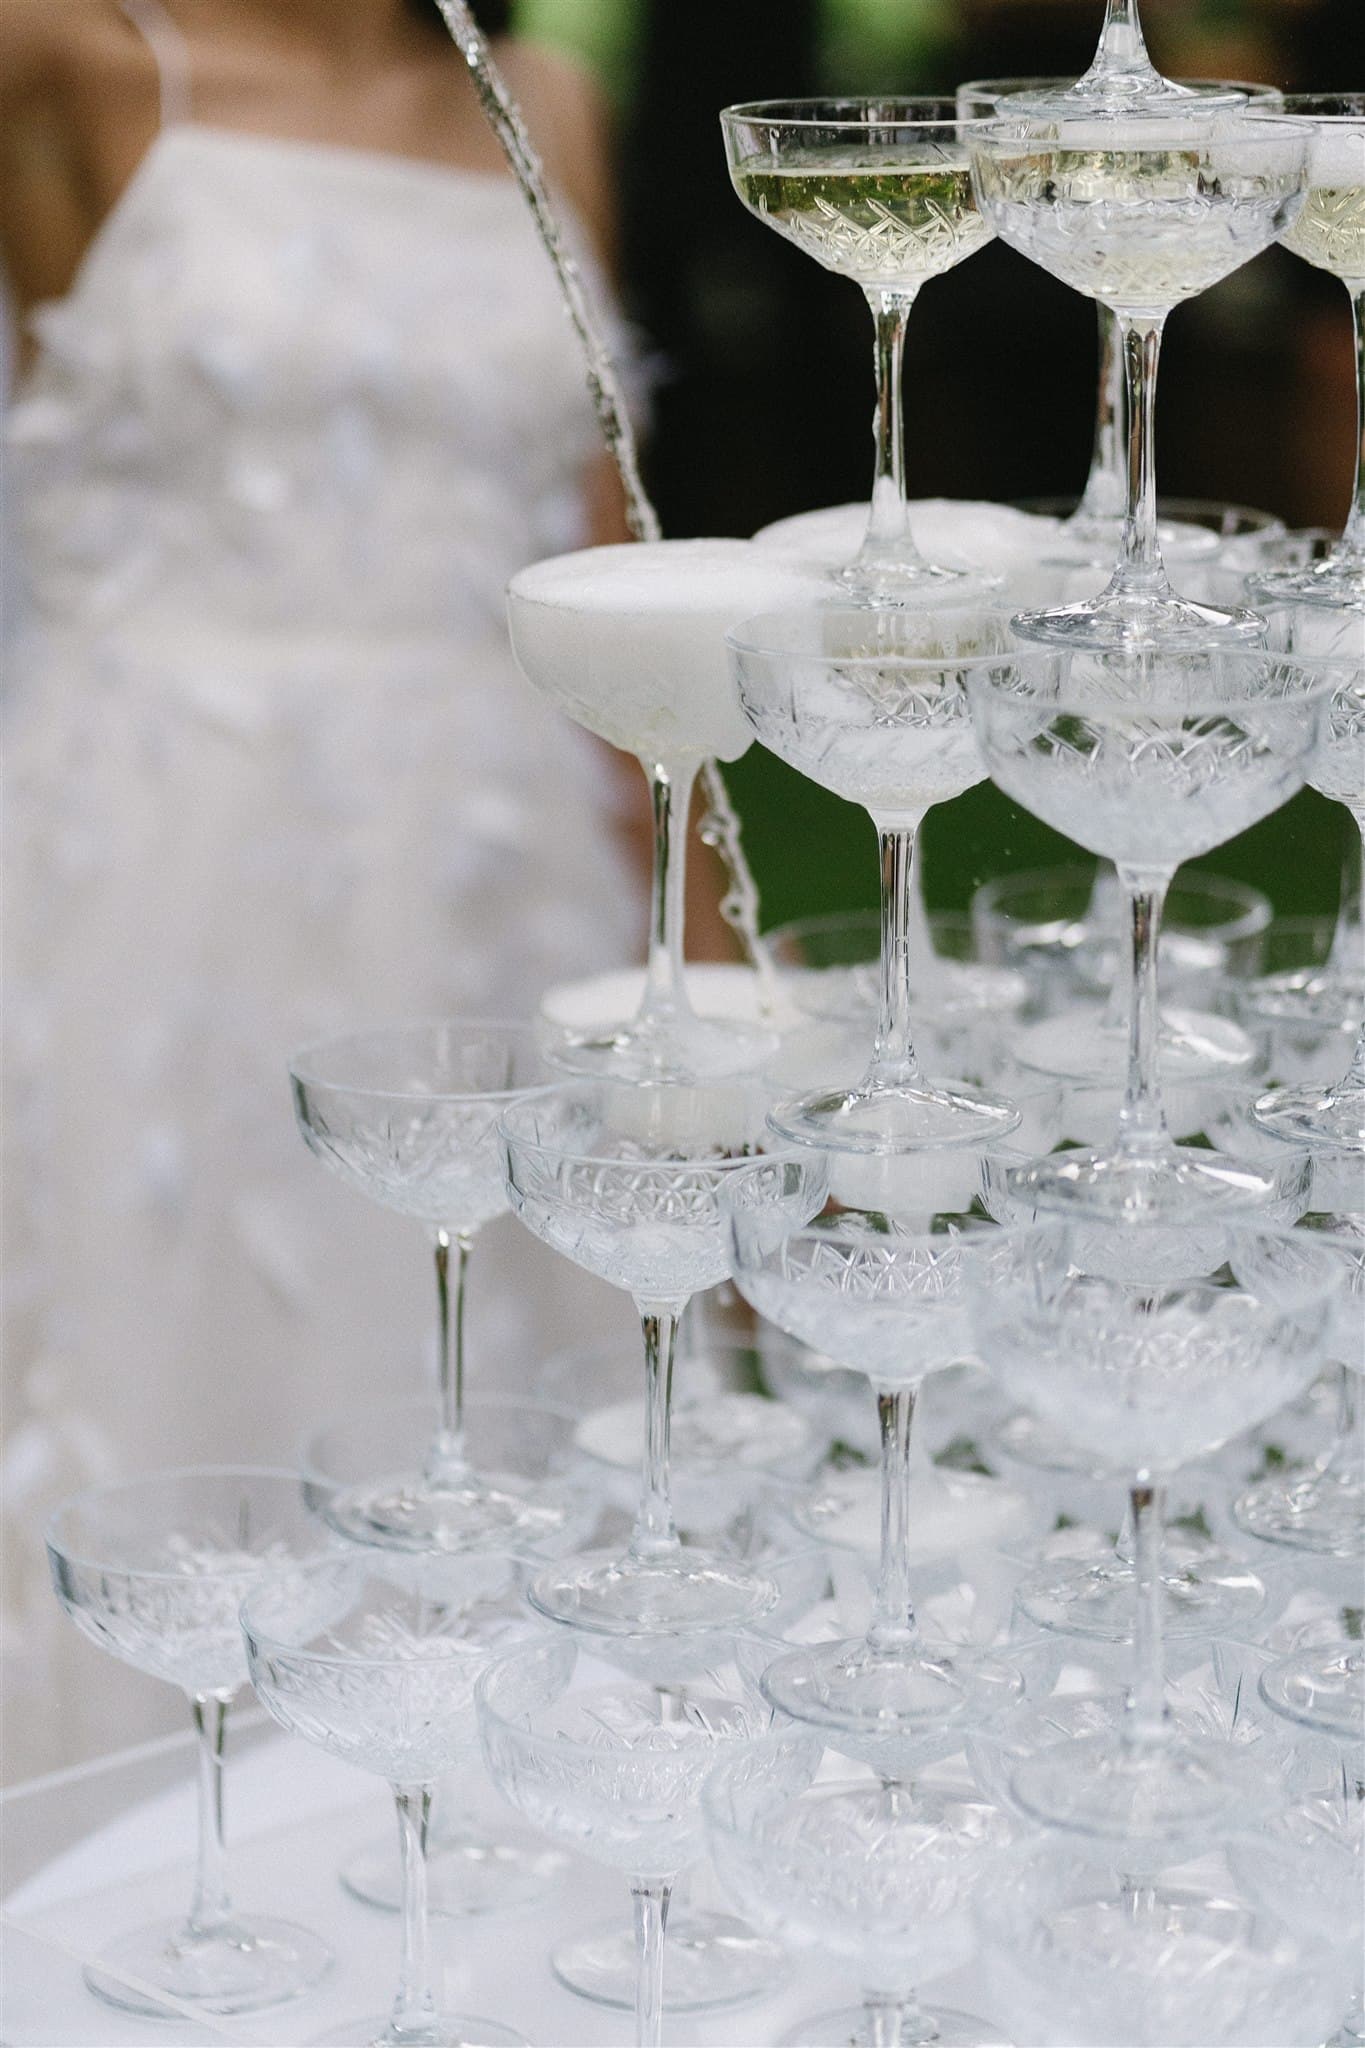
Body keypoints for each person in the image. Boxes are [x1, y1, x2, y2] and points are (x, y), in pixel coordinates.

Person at [0, 0, 646, 1776]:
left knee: (494, 1381)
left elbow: (600, 546)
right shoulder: (67, 58)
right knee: (172, 1360)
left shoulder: (551, 101)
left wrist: (679, 912)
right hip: (167, 850)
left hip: (501, 849)